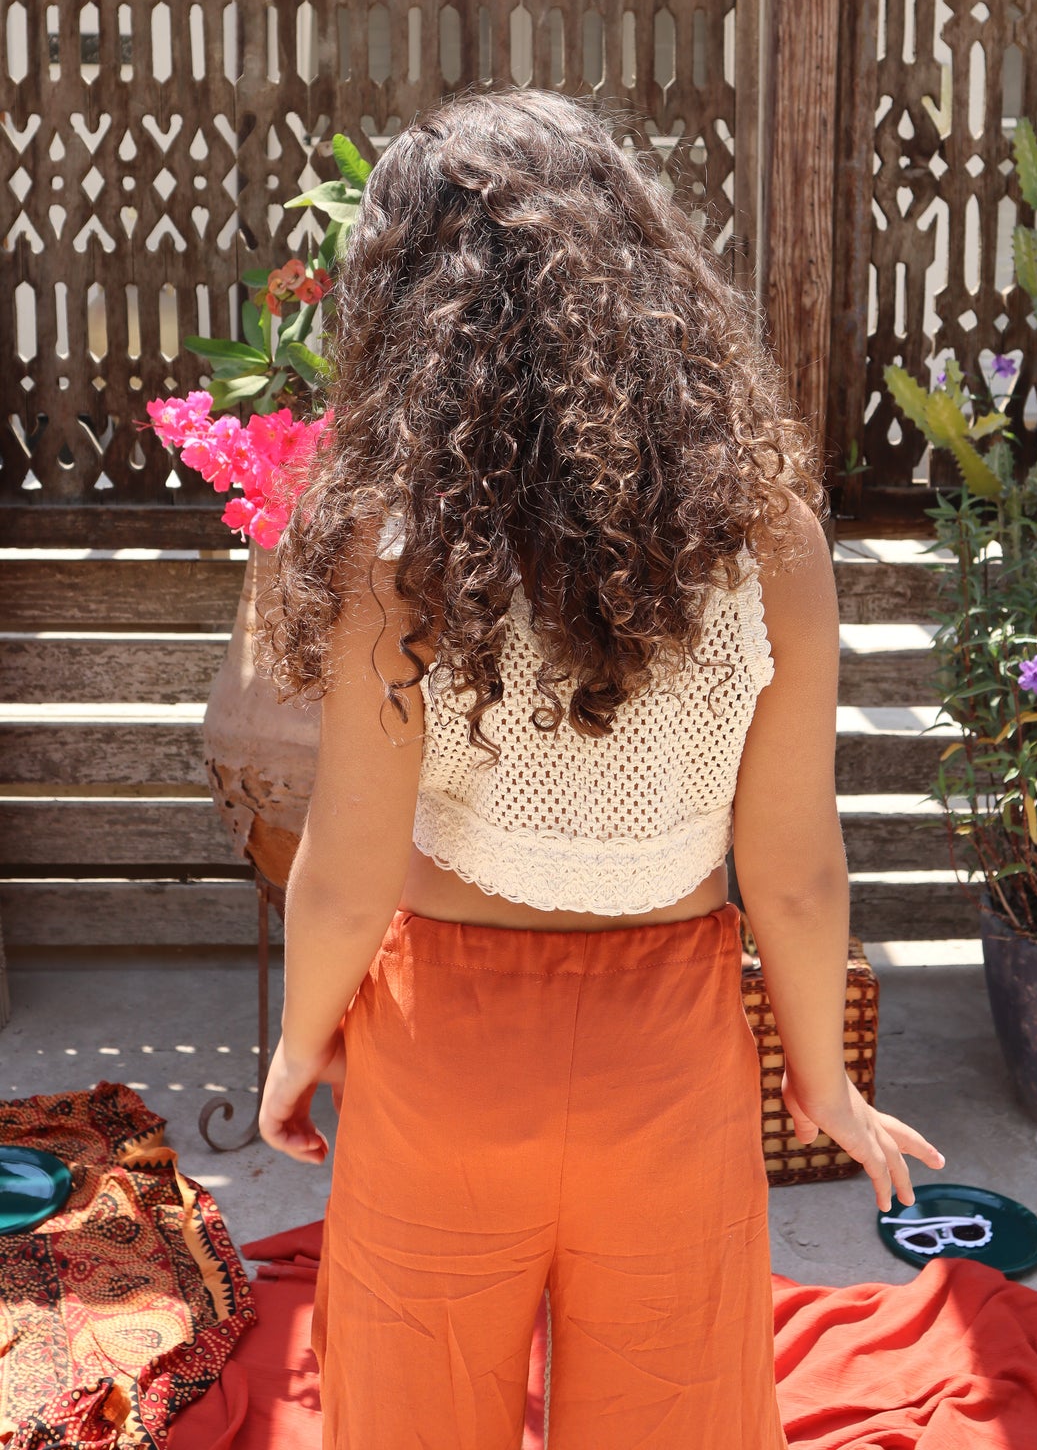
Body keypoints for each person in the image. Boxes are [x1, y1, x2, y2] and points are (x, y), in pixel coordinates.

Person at [257, 89, 943, 1449]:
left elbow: (342, 871)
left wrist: (295, 1045)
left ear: (414, 313)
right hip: (669, 1067)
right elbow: (796, 877)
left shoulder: (397, 550)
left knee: (409, 1412)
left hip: (443, 1054)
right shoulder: (769, 539)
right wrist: (823, 1084)